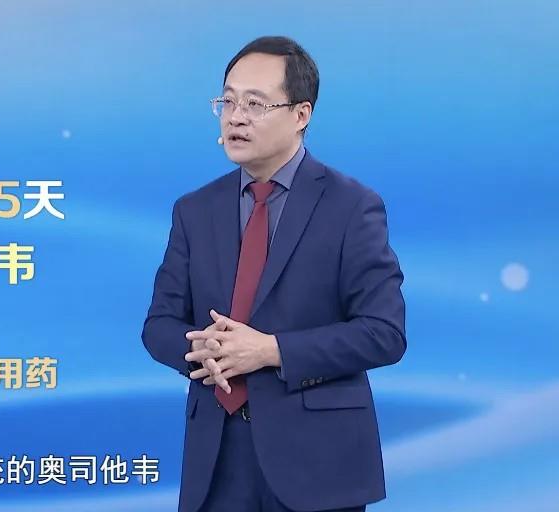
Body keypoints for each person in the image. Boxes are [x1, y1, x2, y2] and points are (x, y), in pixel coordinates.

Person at [141, 35, 407, 512]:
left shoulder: (352, 207)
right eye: (227, 102)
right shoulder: (194, 210)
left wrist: (270, 350)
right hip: (216, 463)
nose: (236, 117)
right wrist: (200, 348)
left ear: (301, 114)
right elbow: (158, 325)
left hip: (318, 465)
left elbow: (384, 333)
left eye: (255, 104)